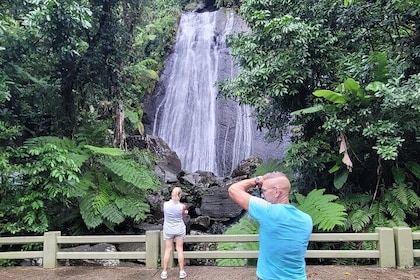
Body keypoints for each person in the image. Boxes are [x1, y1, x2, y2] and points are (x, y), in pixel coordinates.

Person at [228, 172, 313, 280]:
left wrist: (257, 180)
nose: (262, 195)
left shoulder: (268, 212)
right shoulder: (306, 219)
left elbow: (233, 190)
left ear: (277, 191)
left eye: (263, 191)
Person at [161, 187, 189, 279]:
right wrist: (185, 212)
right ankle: (181, 271)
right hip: (179, 229)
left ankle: (164, 272)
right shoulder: (182, 206)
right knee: (179, 249)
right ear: (180, 195)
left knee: (167, 250)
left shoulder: (165, 205)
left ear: (171, 194)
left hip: (168, 229)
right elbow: (184, 215)